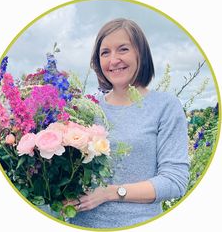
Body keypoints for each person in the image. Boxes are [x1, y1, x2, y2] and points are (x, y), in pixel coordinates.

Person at [67, 18, 189, 229]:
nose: (113, 60)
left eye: (123, 49)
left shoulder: (165, 106)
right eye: (105, 52)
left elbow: (175, 182)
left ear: (140, 54)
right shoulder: (87, 106)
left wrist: (108, 193)